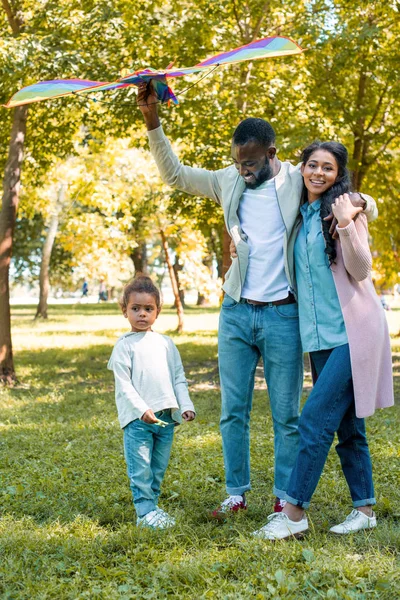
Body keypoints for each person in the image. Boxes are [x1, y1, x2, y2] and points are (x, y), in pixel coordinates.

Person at [137, 82, 377, 517]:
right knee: (233, 411)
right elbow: (174, 175)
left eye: (250, 163)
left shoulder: (298, 182)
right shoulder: (229, 181)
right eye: (237, 162)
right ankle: (236, 493)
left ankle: (285, 496)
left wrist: (361, 205)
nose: (243, 170)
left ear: (271, 154)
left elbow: (351, 196)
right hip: (235, 313)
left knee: (286, 415)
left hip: (284, 315)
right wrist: (153, 122)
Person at [252, 141, 394, 540]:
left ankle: (293, 513)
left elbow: (362, 269)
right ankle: (364, 509)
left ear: (338, 174)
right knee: (348, 425)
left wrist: (349, 221)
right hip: (319, 338)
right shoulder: (299, 215)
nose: (318, 173)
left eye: (327, 168)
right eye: (312, 165)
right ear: (302, 168)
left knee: (314, 419)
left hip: (355, 332)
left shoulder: (344, 209)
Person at [107, 276, 195, 529]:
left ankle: (152, 508)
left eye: (148, 309)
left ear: (157, 311)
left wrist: (186, 406)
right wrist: (141, 409)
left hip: (166, 418)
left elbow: (179, 378)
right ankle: (144, 511)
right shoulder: (124, 346)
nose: (142, 314)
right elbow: (124, 384)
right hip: (138, 419)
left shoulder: (166, 343)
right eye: (135, 308)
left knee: (157, 467)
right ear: (125, 311)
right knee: (141, 467)